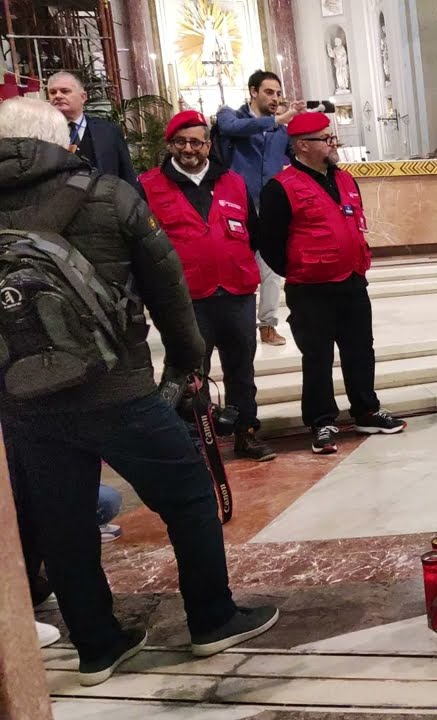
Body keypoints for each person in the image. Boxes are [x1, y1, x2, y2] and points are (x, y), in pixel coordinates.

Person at [0, 97, 278, 687]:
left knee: (63, 524)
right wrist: (184, 367)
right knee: (188, 497)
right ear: (62, 140)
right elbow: (169, 290)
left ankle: (98, 647)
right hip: (117, 387)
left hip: (25, 399)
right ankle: (212, 618)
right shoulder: (108, 195)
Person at [258, 112, 407, 454]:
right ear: (302, 146)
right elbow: (269, 243)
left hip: (352, 281)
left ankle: (366, 411)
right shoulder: (280, 188)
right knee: (318, 357)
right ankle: (322, 421)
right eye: (326, 139)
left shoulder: (345, 180)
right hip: (310, 288)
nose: (333, 143)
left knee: (360, 350)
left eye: (332, 137)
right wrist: (301, 268)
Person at [139, 110, 276, 462]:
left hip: (236, 293)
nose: (189, 148)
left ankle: (246, 432)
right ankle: (193, 440)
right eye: (181, 141)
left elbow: (255, 234)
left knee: (241, 370)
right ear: (170, 144)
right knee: (188, 373)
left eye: (196, 141)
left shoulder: (232, 182)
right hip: (186, 299)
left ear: (208, 144)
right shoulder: (149, 185)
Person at [215, 70, 306, 348]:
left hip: (268, 206)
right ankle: (225, 328)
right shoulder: (230, 115)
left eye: (278, 93)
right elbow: (233, 130)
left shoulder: (281, 130)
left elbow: (297, 156)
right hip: (235, 205)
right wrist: (278, 120)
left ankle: (267, 326)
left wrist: (305, 130)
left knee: (270, 269)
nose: (275, 98)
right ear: (253, 91)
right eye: (269, 92)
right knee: (231, 267)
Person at [46, 72, 136, 188]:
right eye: (52, 92)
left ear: (83, 97)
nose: (57, 96)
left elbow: (127, 174)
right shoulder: (42, 132)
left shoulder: (109, 131)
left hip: (103, 201)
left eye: (65, 91)